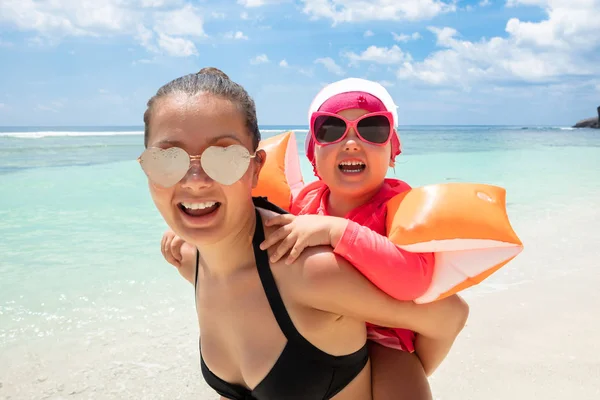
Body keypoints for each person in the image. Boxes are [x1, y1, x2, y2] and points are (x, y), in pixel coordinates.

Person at [144, 67, 469, 400]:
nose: (195, 180)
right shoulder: (194, 258)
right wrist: (195, 214)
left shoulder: (337, 253)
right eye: (169, 160)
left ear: (255, 168)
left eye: (224, 156)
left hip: (389, 340)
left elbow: (444, 308)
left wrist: (410, 364)